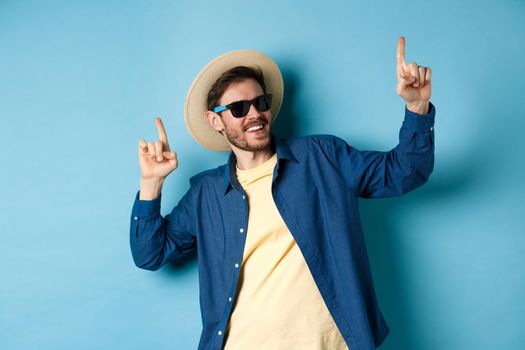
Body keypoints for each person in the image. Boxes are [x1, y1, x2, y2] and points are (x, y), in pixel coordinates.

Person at [130, 36, 435, 350]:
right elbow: (150, 254)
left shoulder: (322, 157)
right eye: (238, 108)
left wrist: (417, 107)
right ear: (215, 120)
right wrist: (151, 183)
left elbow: (405, 172)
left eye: (261, 102)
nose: (255, 114)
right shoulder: (204, 193)